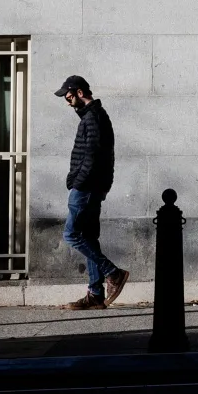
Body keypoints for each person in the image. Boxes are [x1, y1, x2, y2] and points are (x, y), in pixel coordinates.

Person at [56, 75, 126, 309]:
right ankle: (95, 295)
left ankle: (112, 273)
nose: (66, 101)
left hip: (87, 187)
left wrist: (78, 181)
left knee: (72, 234)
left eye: (67, 95)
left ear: (78, 92)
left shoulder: (93, 118)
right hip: (93, 185)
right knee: (88, 238)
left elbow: (93, 155)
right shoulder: (92, 115)